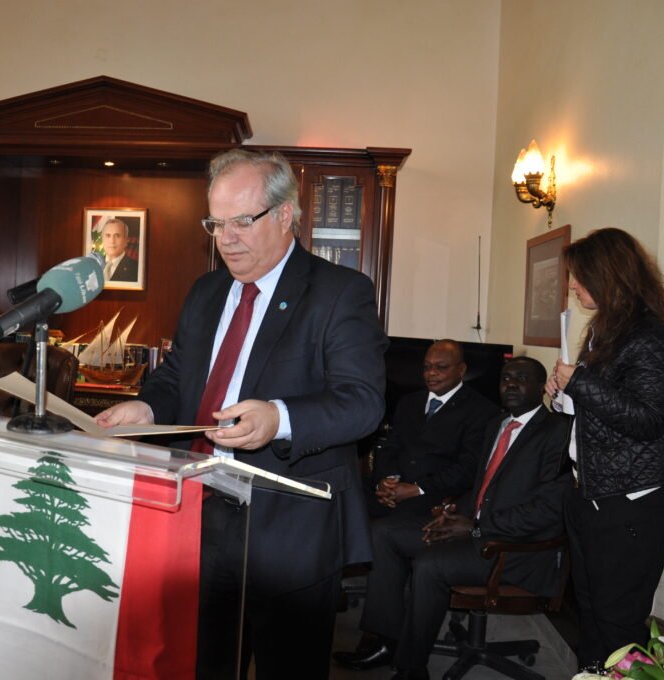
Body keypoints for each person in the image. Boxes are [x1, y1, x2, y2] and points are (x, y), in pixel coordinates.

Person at [95, 148, 387, 679]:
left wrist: (279, 418)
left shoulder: (339, 292)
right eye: (216, 224)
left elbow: (362, 404)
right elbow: (177, 377)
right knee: (200, 662)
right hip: (197, 519)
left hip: (288, 526)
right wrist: (146, 404)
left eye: (241, 222)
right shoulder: (206, 292)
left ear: (284, 215)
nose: (226, 238)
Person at [336, 357, 571, 679]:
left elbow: (549, 511)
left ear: (541, 387)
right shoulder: (498, 424)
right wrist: (452, 513)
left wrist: (475, 526)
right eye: (506, 378)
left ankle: (411, 668)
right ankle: (387, 640)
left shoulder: (557, 432)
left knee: (430, 565)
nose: (511, 385)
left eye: (522, 378)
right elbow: (482, 488)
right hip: (474, 531)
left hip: (512, 548)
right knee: (384, 533)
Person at [545, 227, 664, 671]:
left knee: (617, 624)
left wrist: (581, 382)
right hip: (592, 494)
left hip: (632, 501)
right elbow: (595, 412)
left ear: (609, 276)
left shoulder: (655, 339)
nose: (572, 286)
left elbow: (647, 420)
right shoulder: (606, 334)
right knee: (590, 616)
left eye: (580, 277)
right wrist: (559, 393)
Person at [371, 340, 500, 515]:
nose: (431, 373)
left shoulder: (481, 411)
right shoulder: (409, 402)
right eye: (426, 367)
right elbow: (390, 446)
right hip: (393, 490)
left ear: (461, 370)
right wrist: (386, 481)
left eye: (441, 367)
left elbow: (468, 468)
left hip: (435, 498)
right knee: (346, 505)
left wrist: (416, 489)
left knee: (377, 530)